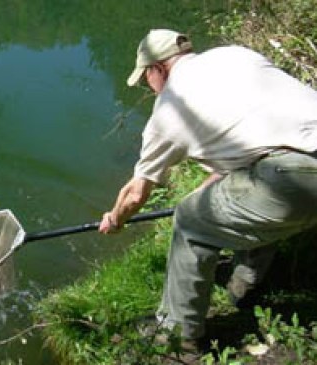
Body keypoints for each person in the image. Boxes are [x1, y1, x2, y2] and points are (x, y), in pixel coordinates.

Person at [98, 29, 317, 347]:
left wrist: (116, 219)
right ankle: (245, 284)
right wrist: (202, 194)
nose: (149, 86)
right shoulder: (236, 55)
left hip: (295, 178)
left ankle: (177, 333)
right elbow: (251, 149)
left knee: (190, 221)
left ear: (158, 68)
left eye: (146, 77)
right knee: (244, 190)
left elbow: (135, 193)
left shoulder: (170, 109)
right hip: (298, 160)